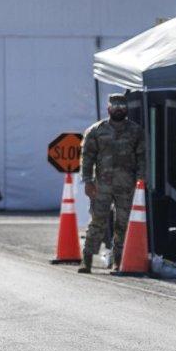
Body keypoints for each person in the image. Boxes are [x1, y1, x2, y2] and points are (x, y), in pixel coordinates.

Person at [77, 94, 146, 273]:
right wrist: (87, 181)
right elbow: (87, 158)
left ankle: (118, 261)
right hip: (102, 185)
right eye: (115, 107)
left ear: (126, 109)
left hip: (127, 186)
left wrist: (141, 181)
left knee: (123, 223)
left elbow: (142, 158)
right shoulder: (96, 130)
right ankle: (87, 259)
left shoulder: (136, 131)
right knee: (97, 221)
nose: (118, 110)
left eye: (122, 107)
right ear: (108, 109)